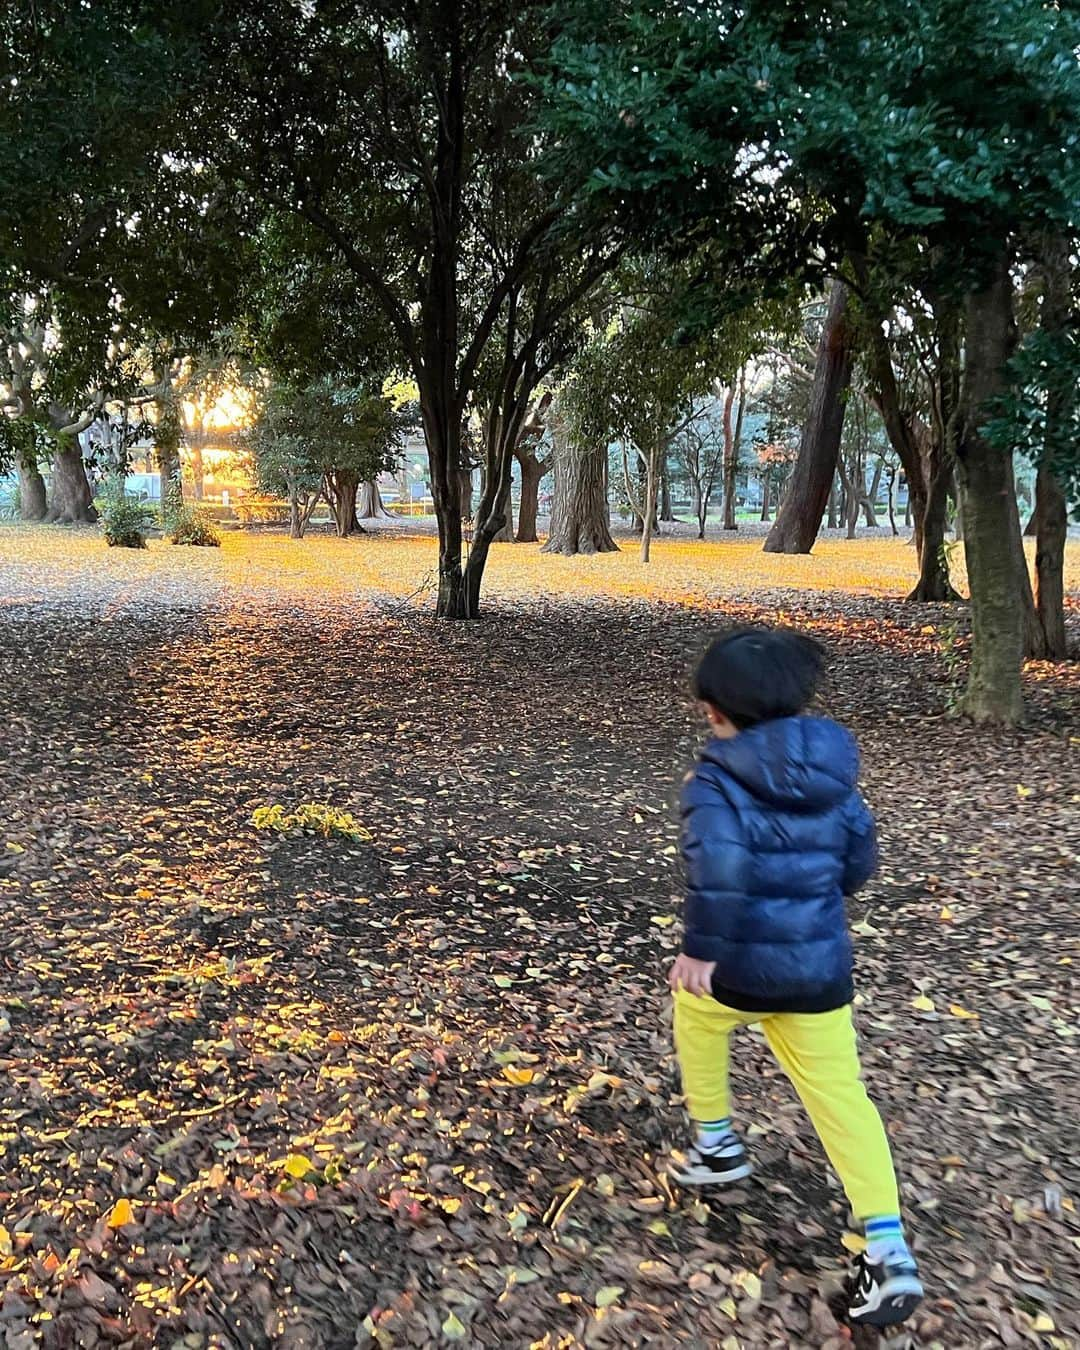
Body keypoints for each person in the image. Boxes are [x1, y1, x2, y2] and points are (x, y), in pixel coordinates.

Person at [667, 626, 923, 1329]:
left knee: (695, 1014)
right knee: (842, 1096)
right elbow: (857, 867)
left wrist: (699, 951)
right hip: (817, 970)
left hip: (740, 968)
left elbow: (718, 875)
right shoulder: (835, 777)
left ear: (716, 712)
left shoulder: (714, 780)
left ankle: (716, 1141)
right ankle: (887, 1246)